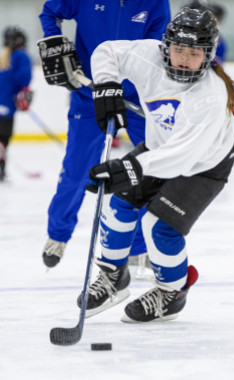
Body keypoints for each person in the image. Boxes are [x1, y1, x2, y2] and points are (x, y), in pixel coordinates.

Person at [77, 7, 234, 322]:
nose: (183, 57)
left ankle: (172, 291)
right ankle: (114, 277)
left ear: (208, 55)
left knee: (159, 227)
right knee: (119, 204)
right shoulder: (149, 57)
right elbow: (107, 52)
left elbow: (180, 158)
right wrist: (106, 86)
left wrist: (128, 169)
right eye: (178, 48)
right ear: (165, 45)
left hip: (204, 162)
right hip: (160, 146)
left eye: (194, 52)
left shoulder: (210, 96)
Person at [37, 0, 171, 268]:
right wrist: (53, 41)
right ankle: (58, 235)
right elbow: (50, 12)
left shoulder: (156, 1)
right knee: (76, 171)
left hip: (137, 97)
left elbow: (157, 46)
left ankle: (139, 247)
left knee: (149, 169)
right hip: (89, 95)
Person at [0, 26, 32, 181]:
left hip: (3, 103)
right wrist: (24, 94)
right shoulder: (20, 55)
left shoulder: (4, 55)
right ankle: (1, 171)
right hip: (6, 106)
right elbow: (23, 78)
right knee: (3, 138)